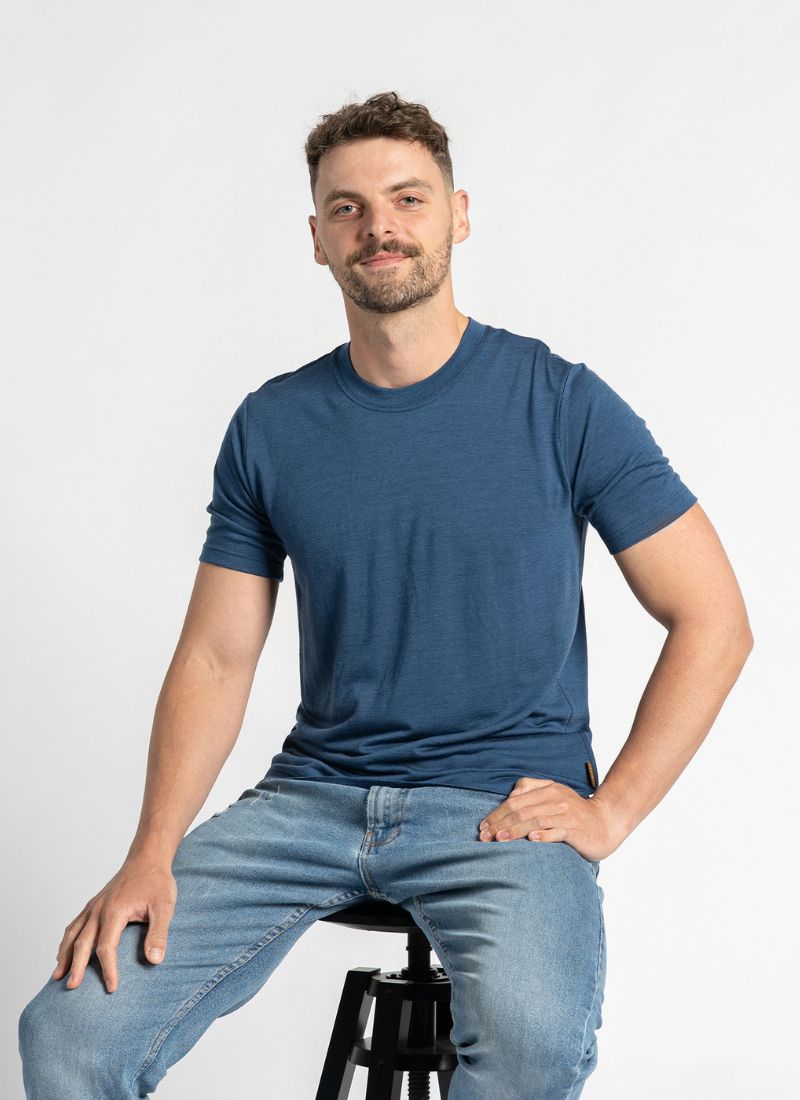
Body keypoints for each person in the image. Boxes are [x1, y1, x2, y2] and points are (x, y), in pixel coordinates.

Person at [18, 90, 753, 1099]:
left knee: (532, 1045)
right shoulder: (273, 426)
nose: (380, 226)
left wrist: (611, 806)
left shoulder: (560, 401)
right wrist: (151, 852)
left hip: (499, 806)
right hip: (310, 799)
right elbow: (215, 656)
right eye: (348, 207)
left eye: (406, 198)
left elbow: (711, 616)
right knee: (70, 1034)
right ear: (317, 239)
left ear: (457, 212)